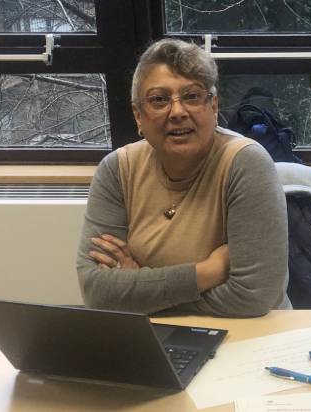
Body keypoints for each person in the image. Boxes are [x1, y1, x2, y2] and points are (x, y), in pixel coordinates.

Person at [76, 38, 291, 317]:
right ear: (138, 115)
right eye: (159, 100)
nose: (177, 112)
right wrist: (207, 272)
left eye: (191, 96)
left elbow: (253, 297)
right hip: (155, 336)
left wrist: (142, 294)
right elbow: (97, 292)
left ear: (213, 107)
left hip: (251, 336)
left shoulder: (245, 162)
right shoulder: (117, 169)